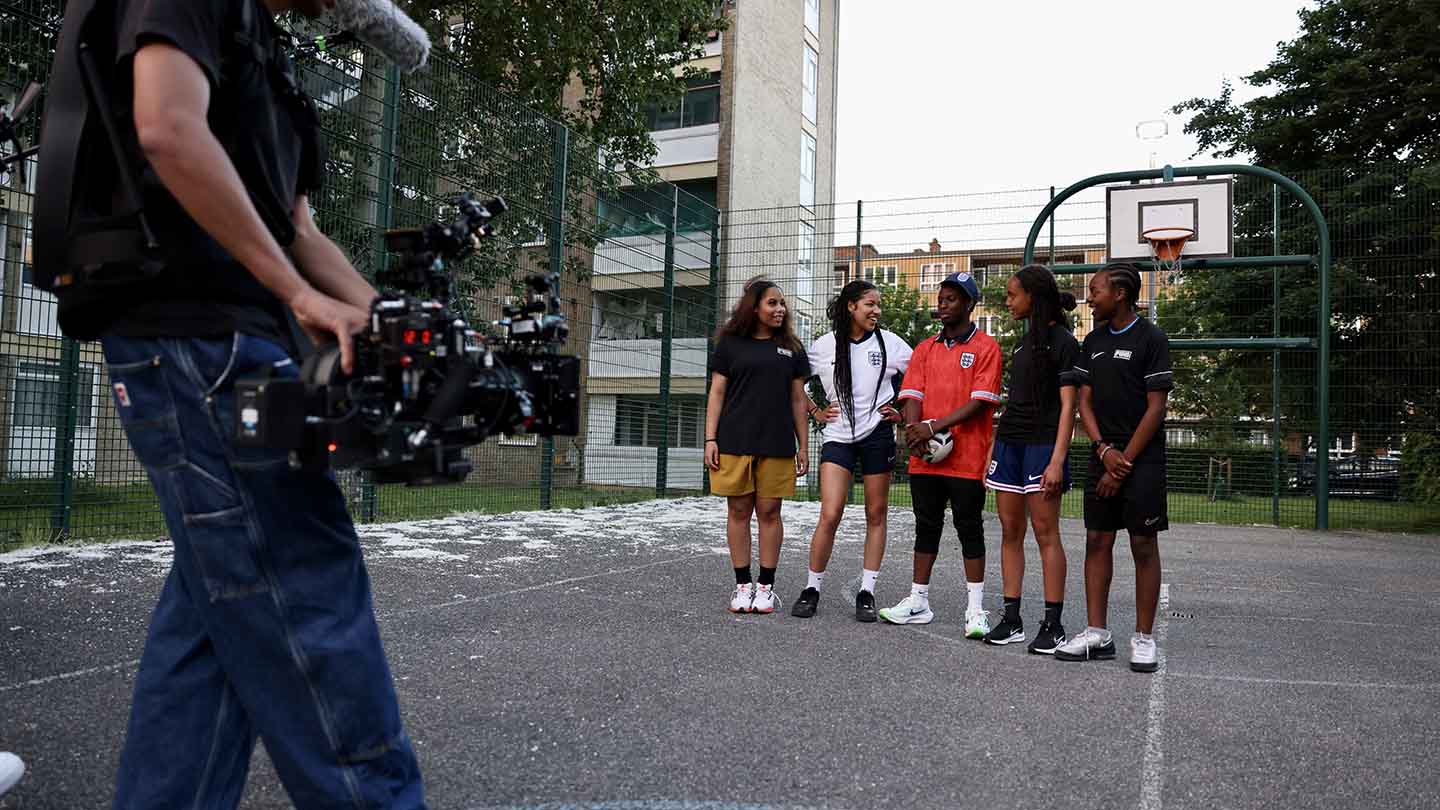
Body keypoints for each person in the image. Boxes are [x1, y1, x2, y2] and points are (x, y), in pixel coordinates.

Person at [53, 0, 426, 805]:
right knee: (304, 591)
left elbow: (296, 229)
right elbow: (167, 127)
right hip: (198, 343)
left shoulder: (263, 46)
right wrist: (296, 296)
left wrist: (393, 323)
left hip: (232, 341)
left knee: (216, 620)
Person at [1055, 262, 1173, 673]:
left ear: (1120, 294)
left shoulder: (1152, 339)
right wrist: (1104, 450)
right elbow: (1084, 402)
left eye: (1096, 290)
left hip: (1142, 460)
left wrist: (1123, 462)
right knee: (1097, 541)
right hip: (1103, 455)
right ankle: (1097, 634)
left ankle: (1143, 637)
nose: (1090, 297)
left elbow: (1156, 407)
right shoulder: (1093, 341)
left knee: (1143, 544)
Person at [879, 272, 1001, 638]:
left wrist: (933, 427)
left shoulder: (986, 348)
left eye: (952, 298)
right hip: (926, 458)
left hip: (967, 457)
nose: (943, 304)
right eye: (942, 298)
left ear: (969, 304)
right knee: (926, 526)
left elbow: (981, 403)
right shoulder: (925, 349)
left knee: (969, 528)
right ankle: (918, 601)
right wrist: (914, 433)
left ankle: (976, 609)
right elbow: (912, 395)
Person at [791, 280, 912, 622]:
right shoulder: (824, 346)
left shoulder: (891, 344)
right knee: (831, 513)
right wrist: (815, 411)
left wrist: (902, 412)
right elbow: (794, 384)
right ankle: (811, 588)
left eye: (878, 305)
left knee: (876, 514)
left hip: (877, 436)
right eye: (869, 304)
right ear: (851, 307)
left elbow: (921, 379)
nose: (876, 311)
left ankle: (867, 592)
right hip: (838, 436)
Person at [982, 265, 1081, 654]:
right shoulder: (1022, 346)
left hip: (1043, 446)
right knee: (1009, 531)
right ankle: (1011, 620)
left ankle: (1053, 624)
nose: (1008, 302)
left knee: (1045, 532)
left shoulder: (1065, 343)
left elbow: (1068, 408)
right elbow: (1014, 402)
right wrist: (993, 448)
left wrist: (1057, 460)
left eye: (1012, 295)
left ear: (1033, 297)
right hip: (1010, 444)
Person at [705, 277, 812, 614]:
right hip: (734, 442)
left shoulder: (792, 348)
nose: (780, 309)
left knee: (769, 513)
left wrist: (804, 446)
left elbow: (798, 400)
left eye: (782, 304)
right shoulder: (730, 344)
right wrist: (710, 438)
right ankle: (742, 585)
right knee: (738, 512)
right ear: (754, 306)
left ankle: (766, 587)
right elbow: (717, 393)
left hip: (777, 444)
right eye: (772, 303)